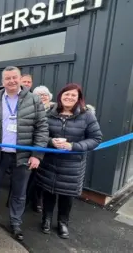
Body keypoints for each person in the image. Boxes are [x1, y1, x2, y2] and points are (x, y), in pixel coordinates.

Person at [0, 66, 49, 242]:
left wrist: (36, 155)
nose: (11, 81)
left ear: (20, 79)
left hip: (23, 155)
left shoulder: (33, 100)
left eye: (14, 77)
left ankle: (16, 222)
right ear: (2, 82)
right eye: (7, 78)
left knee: (19, 191)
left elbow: (42, 129)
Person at [37, 83, 102, 239]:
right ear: (60, 96)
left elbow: (96, 138)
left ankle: (62, 223)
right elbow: (40, 134)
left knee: (67, 196)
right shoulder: (49, 114)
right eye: (66, 94)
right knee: (48, 192)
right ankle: (45, 219)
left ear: (79, 98)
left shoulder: (87, 115)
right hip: (50, 162)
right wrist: (51, 141)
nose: (69, 97)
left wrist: (73, 146)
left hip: (73, 165)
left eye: (73, 95)